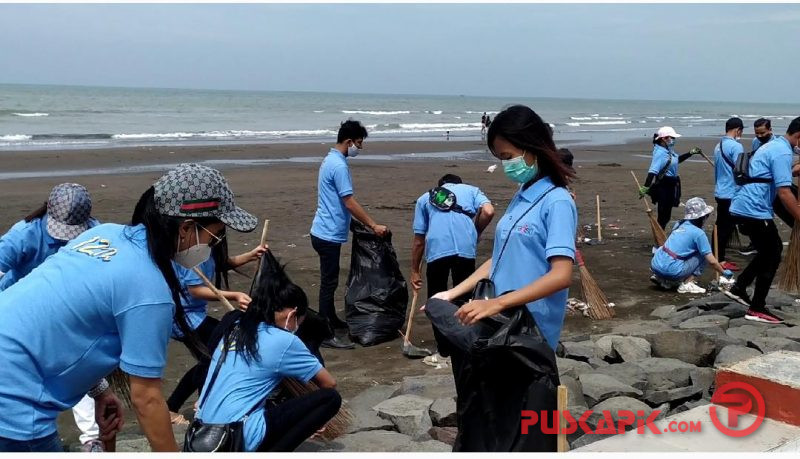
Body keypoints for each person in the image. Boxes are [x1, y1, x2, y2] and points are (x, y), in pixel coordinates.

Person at [0, 163, 258, 452]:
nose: (214, 243)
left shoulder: (104, 235)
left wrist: (99, 391)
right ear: (186, 229)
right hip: (13, 402)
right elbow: (146, 399)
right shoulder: (150, 290)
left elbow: (70, 319)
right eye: (216, 233)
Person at [425, 105, 576, 450]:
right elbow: (499, 258)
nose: (507, 164)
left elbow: (562, 275)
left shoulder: (558, 201)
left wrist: (496, 303)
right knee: (491, 416)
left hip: (528, 333)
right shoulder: (522, 196)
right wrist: (453, 293)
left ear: (532, 146)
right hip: (499, 324)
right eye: (500, 156)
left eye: (508, 155)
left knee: (520, 428)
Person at [194, 254, 341, 452]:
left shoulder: (236, 326)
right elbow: (328, 384)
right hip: (235, 436)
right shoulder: (284, 340)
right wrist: (312, 419)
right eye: (299, 320)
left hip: (202, 433)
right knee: (330, 399)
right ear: (291, 314)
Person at [0, 183, 104, 452]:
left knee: (78, 370)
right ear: (48, 211)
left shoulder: (96, 233)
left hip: (66, 314)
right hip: (19, 313)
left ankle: (91, 438)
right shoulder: (25, 233)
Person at [166, 241, 267, 425]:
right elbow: (195, 290)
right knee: (211, 359)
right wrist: (234, 295)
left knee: (209, 359)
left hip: (194, 314)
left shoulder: (208, 247)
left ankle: (190, 404)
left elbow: (222, 262)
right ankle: (185, 407)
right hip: (185, 317)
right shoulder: (192, 251)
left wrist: (251, 255)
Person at [309, 120, 388, 349]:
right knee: (328, 282)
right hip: (327, 234)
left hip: (324, 229)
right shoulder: (339, 166)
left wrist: (353, 225)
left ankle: (331, 318)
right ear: (349, 141)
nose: (360, 148)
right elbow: (348, 201)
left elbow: (335, 202)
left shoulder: (329, 160)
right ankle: (324, 333)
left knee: (330, 281)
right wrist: (373, 225)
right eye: (359, 143)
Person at [725, 116, 800, 324]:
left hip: (743, 205)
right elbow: (784, 193)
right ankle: (757, 307)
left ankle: (740, 287)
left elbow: (778, 175)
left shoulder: (775, 145)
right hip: (752, 208)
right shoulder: (782, 151)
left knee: (769, 250)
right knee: (773, 253)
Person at [410, 174, 494, 355]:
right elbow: (488, 211)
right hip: (465, 248)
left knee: (436, 298)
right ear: (459, 184)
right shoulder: (472, 190)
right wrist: (476, 230)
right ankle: (464, 341)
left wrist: (415, 271)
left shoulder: (425, 198)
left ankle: (444, 348)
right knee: (463, 295)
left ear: (440, 186)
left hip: (437, 250)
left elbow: (418, 241)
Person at [650, 197, 734, 293]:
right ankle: (688, 283)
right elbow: (712, 261)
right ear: (702, 217)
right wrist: (723, 272)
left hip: (656, 265)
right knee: (703, 254)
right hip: (672, 270)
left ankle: (662, 278)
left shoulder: (679, 224)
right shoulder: (699, 233)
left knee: (668, 249)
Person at [638, 126, 702, 231]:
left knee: (666, 215)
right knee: (663, 215)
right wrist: (645, 187)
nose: (673, 140)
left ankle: (661, 235)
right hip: (664, 186)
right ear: (664, 138)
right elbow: (652, 171)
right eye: (672, 137)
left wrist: (690, 153)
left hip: (671, 186)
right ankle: (659, 238)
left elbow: (676, 161)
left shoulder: (668, 150)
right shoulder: (660, 153)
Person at [713, 117, 745, 272]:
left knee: (720, 225)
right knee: (726, 227)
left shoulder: (718, 146)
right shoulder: (736, 147)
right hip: (732, 192)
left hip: (720, 190)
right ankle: (720, 259)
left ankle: (716, 255)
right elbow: (741, 171)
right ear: (738, 130)